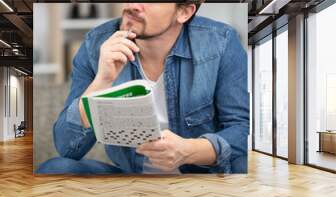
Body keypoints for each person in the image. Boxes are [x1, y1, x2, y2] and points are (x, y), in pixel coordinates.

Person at [37, 2, 249, 174]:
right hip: (130, 178)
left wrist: (188, 151)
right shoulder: (96, 44)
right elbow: (67, 148)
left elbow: (241, 130)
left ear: (184, 11)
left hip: (199, 178)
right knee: (55, 168)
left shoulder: (220, 42)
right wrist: (102, 81)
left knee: (241, 165)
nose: (133, 5)